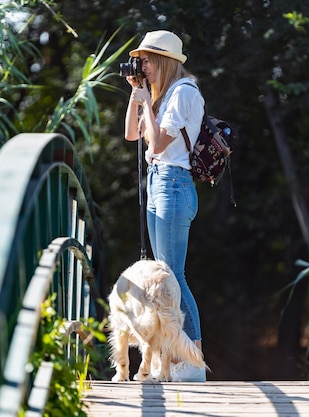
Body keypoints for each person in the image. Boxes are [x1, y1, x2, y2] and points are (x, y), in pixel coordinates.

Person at [123, 30, 206, 382]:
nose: (142, 66)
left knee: (172, 277)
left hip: (174, 184)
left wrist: (146, 103)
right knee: (163, 277)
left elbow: (156, 145)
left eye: (146, 60)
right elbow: (131, 135)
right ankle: (174, 360)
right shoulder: (162, 96)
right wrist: (136, 96)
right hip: (158, 183)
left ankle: (193, 361)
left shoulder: (184, 93)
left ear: (164, 61)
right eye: (139, 60)